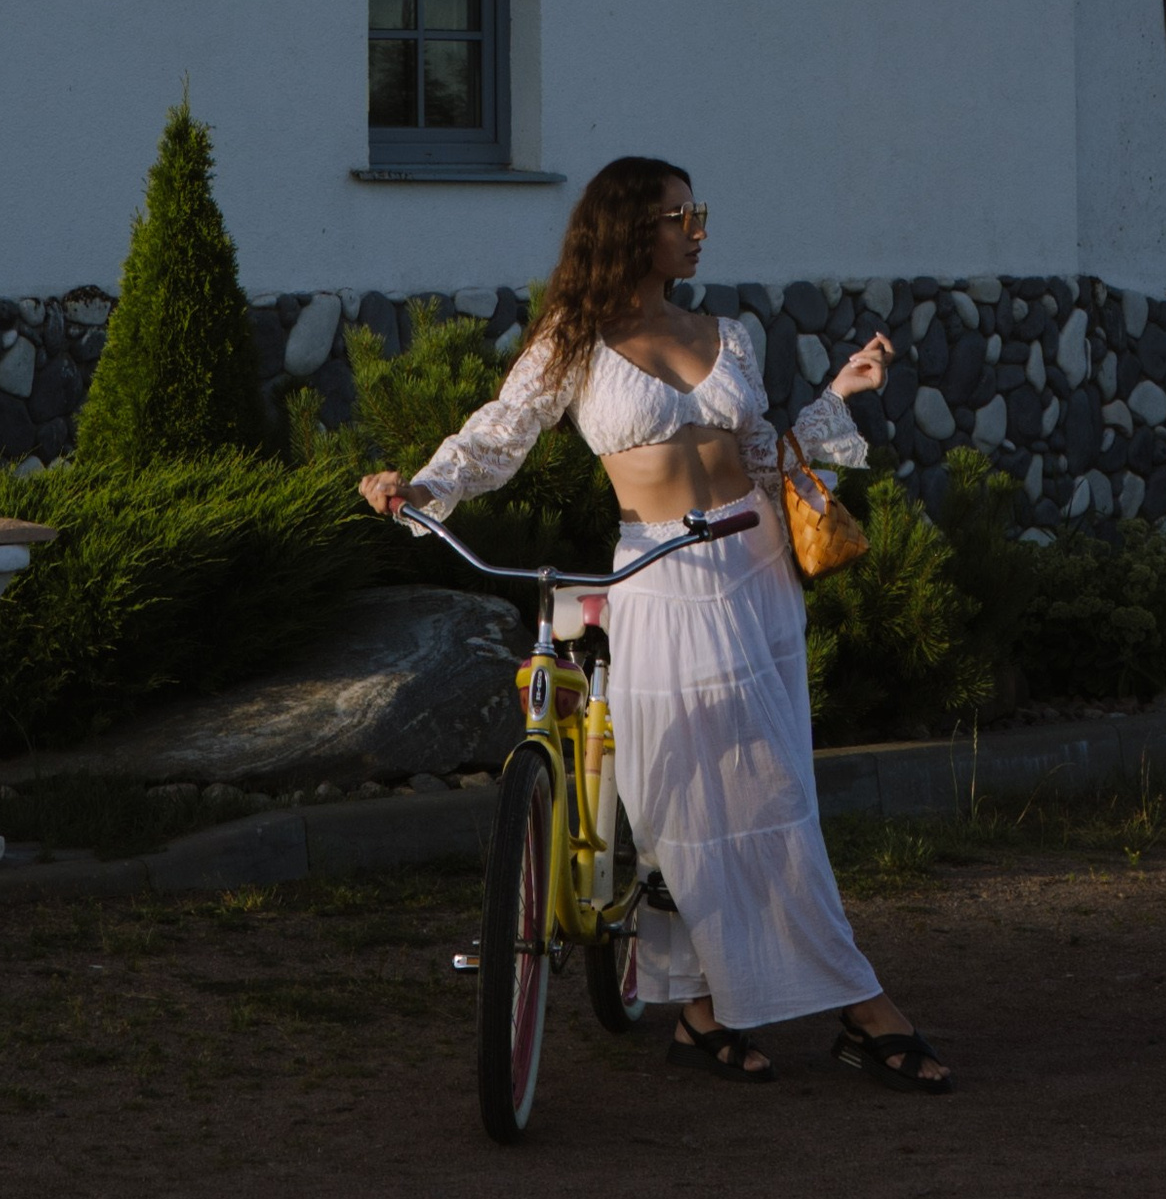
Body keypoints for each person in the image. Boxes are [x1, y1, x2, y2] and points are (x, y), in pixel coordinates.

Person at [359, 156, 951, 1091]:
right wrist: (421, 487)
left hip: (757, 569)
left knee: (768, 793)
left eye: (698, 211)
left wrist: (841, 395)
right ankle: (859, 1005)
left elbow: (763, 455)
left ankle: (707, 1014)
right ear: (632, 228)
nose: (698, 229)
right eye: (681, 215)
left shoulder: (729, 333)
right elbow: (500, 432)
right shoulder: (573, 338)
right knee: (697, 804)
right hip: (658, 578)